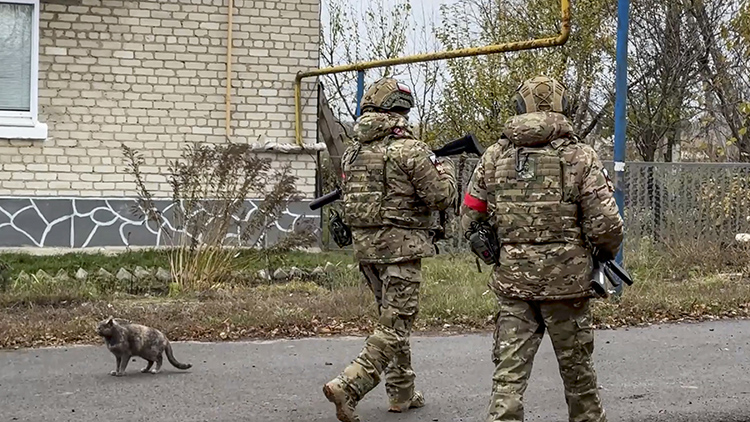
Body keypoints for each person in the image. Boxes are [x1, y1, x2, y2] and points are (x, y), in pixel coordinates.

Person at [460, 75, 624, 422]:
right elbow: (607, 225)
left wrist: (495, 248)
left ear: (520, 108)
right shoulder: (581, 157)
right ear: (563, 108)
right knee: (578, 377)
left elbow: (471, 215)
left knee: (508, 378)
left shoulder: (494, 156)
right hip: (567, 285)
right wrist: (601, 253)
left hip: (513, 283)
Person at [322, 77, 457, 422]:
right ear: (399, 110)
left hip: (366, 249)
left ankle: (402, 392)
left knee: (391, 318)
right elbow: (441, 195)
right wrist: (447, 169)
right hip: (401, 248)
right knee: (396, 324)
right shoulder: (409, 149)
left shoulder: (353, 152)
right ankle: (349, 385)